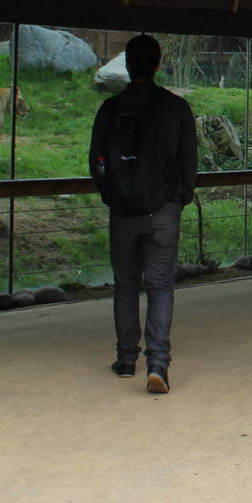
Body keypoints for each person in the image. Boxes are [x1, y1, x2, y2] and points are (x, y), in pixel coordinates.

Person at [89, 33, 198, 394]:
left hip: (123, 210)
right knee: (161, 285)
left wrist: (112, 197)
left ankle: (125, 360)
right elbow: (189, 163)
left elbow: (96, 163)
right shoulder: (176, 108)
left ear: (127, 64)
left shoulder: (110, 109)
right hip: (164, 208)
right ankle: (158, 364)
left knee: (126, 285)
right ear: (157, 65)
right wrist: (179, 197)